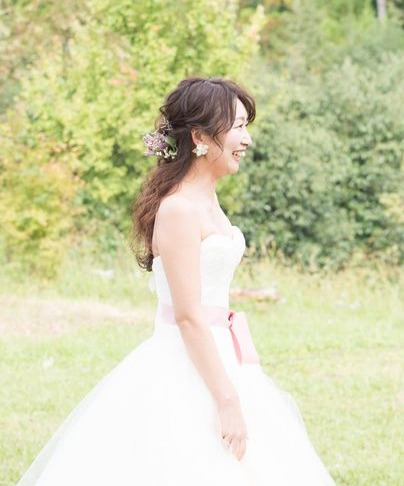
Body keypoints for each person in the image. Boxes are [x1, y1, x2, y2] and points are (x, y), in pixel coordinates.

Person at [18, 76, 335, 485]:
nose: (247, 139)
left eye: (246, 126)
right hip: (184, 360)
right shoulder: (179, 209)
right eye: (238, 127)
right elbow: (187, 316)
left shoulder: (208, 198)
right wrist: (226, 400)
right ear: (200, 136)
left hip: (221, 353)